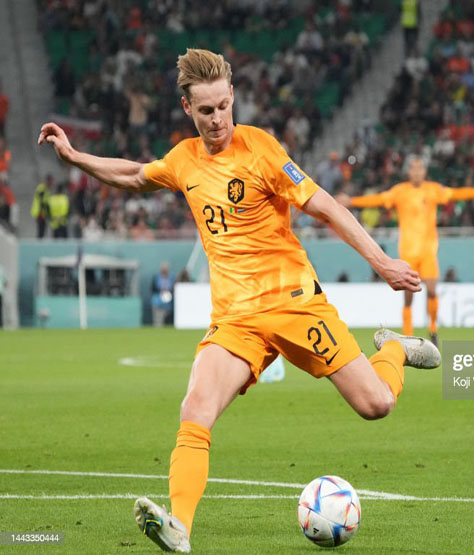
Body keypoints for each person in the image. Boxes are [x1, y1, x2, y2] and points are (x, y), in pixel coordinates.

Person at [39, 48, 440, 553]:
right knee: (195, 409)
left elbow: (326, 207)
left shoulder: (261, 149)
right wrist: (75, 158)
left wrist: (381, 261)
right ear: (188, 108)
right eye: (206, 110)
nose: (218, 119)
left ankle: (395, 349)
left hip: (294, 303)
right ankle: (179, 527)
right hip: (235, 320)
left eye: (224, 106)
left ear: (233, 96)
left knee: (376, 404)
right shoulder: (184, 160)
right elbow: (135, 175)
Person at [339, 156, 474, 346]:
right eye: (413, 168)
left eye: (420, 168)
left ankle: (433, 329)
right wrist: (352, 201)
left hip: (428, 252)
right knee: (408, 297)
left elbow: (456, 194)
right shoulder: (400, 191)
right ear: (408, 172)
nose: (417, 171)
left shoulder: (432, 190)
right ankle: (408, 336)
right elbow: (377, 199)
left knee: (432, 291)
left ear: (424, 171)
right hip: (408, 253)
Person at [151, 261, 175, 327]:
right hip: (157, 302)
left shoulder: (171, 277)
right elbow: (153, 288)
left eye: (165, 269)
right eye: (163, 269)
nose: (164, 271)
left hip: (168, 304)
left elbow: (174, 288)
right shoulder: (156, 277)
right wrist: (160, 291)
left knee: (167, 322)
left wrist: (168, 291)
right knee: (158, 322)